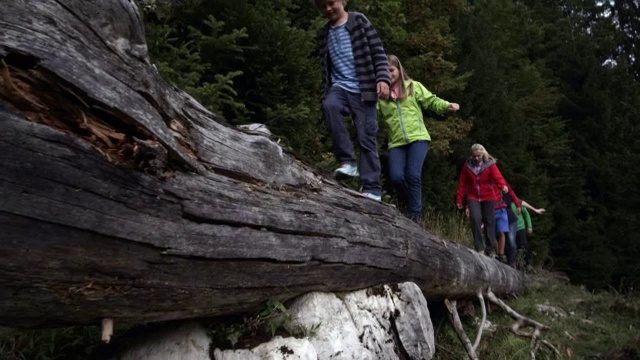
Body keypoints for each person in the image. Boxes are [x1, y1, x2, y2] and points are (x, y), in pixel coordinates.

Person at [314, 0, 390, 201]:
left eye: (331, 3)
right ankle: (348, 162)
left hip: (363, 89)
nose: (328, 9)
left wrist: (382, 78)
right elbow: (326, 68)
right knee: (330, 106)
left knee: (366, 137)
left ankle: (372, 188)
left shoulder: (359, 21)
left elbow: (378, 52)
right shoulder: (324, 33)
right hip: (339, 87)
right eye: (323, 6)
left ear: (343, 1)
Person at [376, 55, 460, 221]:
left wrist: (446, 106)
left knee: (413, 175)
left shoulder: (413, 87)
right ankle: (411, 203)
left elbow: (431, 101)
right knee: (396, 177)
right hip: (396, 142)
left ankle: (415, 215)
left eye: (391, 70)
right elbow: (371, 115)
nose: (389, 74)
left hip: (418, 138)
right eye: (384, 71)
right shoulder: (381, 97)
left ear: (399, 70)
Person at [455, 144, 510, 256]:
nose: (476, 158)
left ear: (483, 154)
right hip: (473, 196)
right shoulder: (467, 166)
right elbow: (462, 183)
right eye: (474, 156)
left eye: (478, 156)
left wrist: (503, 186)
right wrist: (459, 199)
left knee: (489, 221)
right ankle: (479, 247)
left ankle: (490, 249)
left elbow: (498, 177)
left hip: (488, 196)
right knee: (475, 219)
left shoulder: (490, 164)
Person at [512, 200, 545, 271]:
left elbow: (526, 214)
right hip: (511, 229)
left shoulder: (517, 202)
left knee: (523, 245)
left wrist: (529, 226)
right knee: (513, 246)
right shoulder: (506, 203)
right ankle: (516, 263)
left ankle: (528, 263)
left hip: (521, 227)